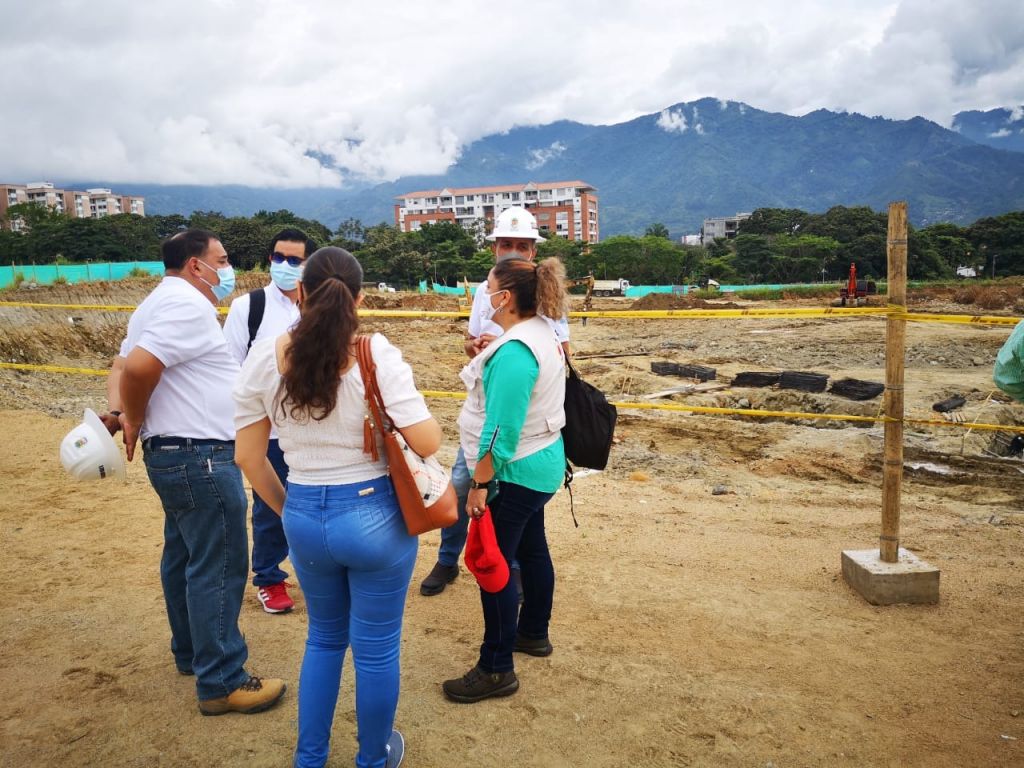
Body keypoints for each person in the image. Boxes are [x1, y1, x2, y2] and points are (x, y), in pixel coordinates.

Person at [233, 246, 440, 768]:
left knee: (323, 640)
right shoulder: (375, 354)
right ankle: (373, 757)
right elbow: (428, 441)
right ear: (361, 300)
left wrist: (290, 511)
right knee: (375, 649)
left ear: (298, 292)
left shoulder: (267, 358)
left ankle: (310, 758)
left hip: (304, 510)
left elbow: (248, 458)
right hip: (373, 514)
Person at [102, 229, 285, 716]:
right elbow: (138, 369)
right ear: (193, 265)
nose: (228, 269)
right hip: (199, 455)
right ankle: (223, 679)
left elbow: (119, 366)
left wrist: (121, 413)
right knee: (219, 562)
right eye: (221, 260)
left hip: (178, 455)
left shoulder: (154, 304)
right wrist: (133, 417)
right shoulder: (185, 305)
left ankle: (192, 652)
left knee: (184, 557)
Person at [419, 206, 570, 598]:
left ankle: (506, 578)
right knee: (460, 487)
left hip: (515, 426)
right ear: (495, 248)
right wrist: (478, 348)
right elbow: (471, 341)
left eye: (521, 245)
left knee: (503, 511)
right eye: (506, 244)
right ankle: (449, 558)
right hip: (488, 416)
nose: (513, 251)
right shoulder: (487, 295)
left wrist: (505, 354)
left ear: (534, 251)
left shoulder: (544, 303)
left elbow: (556, 358)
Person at [442, 255, 568, 704]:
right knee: (532, 550)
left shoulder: (515, 351)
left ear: (506, 297)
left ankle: (496, 667)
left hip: (515, 473)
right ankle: (533, 632)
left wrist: (479, 484)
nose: (484, 292)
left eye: (488, 285)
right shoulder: (540, 334)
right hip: (542, 465)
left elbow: (500, 430)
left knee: (491, 564)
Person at [223, 228, 315, 614]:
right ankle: (269, 577)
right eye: (279, 258)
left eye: (294, 260)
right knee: (268, 506)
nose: (284, 266)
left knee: (311, 503)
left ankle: (311, 572)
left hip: (311, 427)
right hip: (269, 429)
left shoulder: (316, 307)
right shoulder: (250, 307)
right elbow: (229, 367)